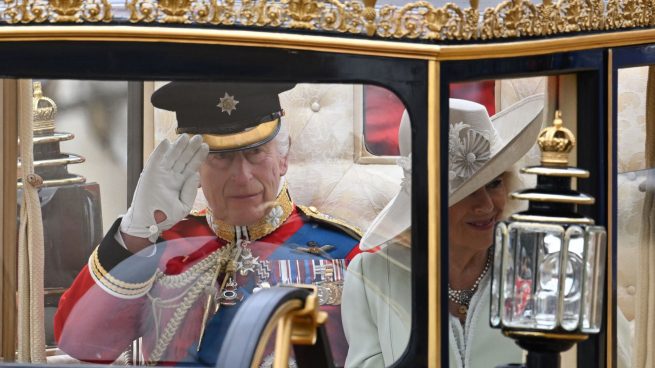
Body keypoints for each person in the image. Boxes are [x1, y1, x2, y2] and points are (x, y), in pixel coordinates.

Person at [54, 82, 362, 367]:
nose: (241, 177)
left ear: (283, 158)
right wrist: (137, 229)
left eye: (255, 153)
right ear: (194, 168)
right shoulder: (158, 247)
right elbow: (79, 343)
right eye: (220, 157)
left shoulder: (345, 254)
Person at [342, 95, 544, 368]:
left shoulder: (543, 265)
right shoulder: (372, 276)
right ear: (427, 204)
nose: (486, 205)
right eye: (467, 192)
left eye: (494, 183)